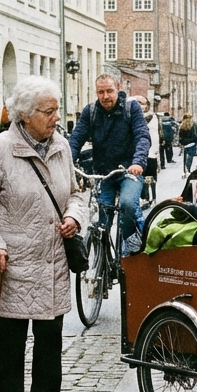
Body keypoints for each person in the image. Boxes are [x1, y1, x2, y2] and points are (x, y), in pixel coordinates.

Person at [0, 77, 84, 392]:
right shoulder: (0, 149)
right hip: (13, 263)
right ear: (25, 114)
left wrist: (74, 217)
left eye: (56, 110)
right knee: (12, 341)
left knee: (50, 341)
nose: (55, 117)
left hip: (51, 263)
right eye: (48, 111)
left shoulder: (61, 145)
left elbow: (77, 194)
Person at [69, 74, 150, 256]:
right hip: (103, 174)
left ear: (118, 88)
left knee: (128, 204)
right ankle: (102, 264)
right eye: (101, 92)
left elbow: (142, 136)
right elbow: (76, 138)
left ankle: (130, 244)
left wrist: (138, 162)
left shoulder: (131, 108)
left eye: (109, 91)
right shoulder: (91, 112)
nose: (105, 96)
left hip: (129, 171)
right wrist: (66, 161)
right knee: (101, 221)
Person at [135, 94, 161, 202]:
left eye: (142, 104)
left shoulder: (145, 117)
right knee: (148, 177)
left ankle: (147, 197)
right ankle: (149, 197)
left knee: (146, 176)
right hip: (148, 151)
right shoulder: (153, 117)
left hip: (149, 150)